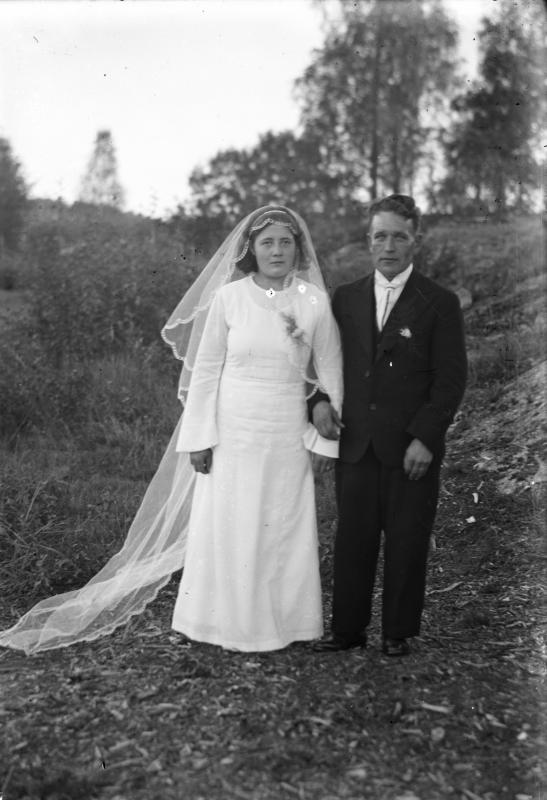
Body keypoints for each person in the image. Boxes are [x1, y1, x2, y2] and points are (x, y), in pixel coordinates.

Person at [0, 205, 342, 655]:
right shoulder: (230, 298)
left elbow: (331, 368)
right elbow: (206, 372)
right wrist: (198, 438)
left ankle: (285, 624)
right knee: (228, 521)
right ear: (252, 250)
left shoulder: (313, 301)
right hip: (233, 427)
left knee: (282, 522)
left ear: (298, 248)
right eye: (267, 243)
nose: (277, 251)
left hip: (285, 428)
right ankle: (217, 623)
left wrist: (325, 437)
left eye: (285, 242)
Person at [312, 194, 467, 657]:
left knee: (406, 538)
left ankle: (397, 632)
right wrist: (317, 403)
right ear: (368, 241)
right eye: (380, 236)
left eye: (399, 236)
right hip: (356, 441)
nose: (389, 246)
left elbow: (451, 379)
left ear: (416, 240)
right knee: (353, 537)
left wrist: (426, 438)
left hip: (409, 447)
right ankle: (347, 630)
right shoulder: (345, 298)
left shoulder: (439, 302)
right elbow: (322, 363)